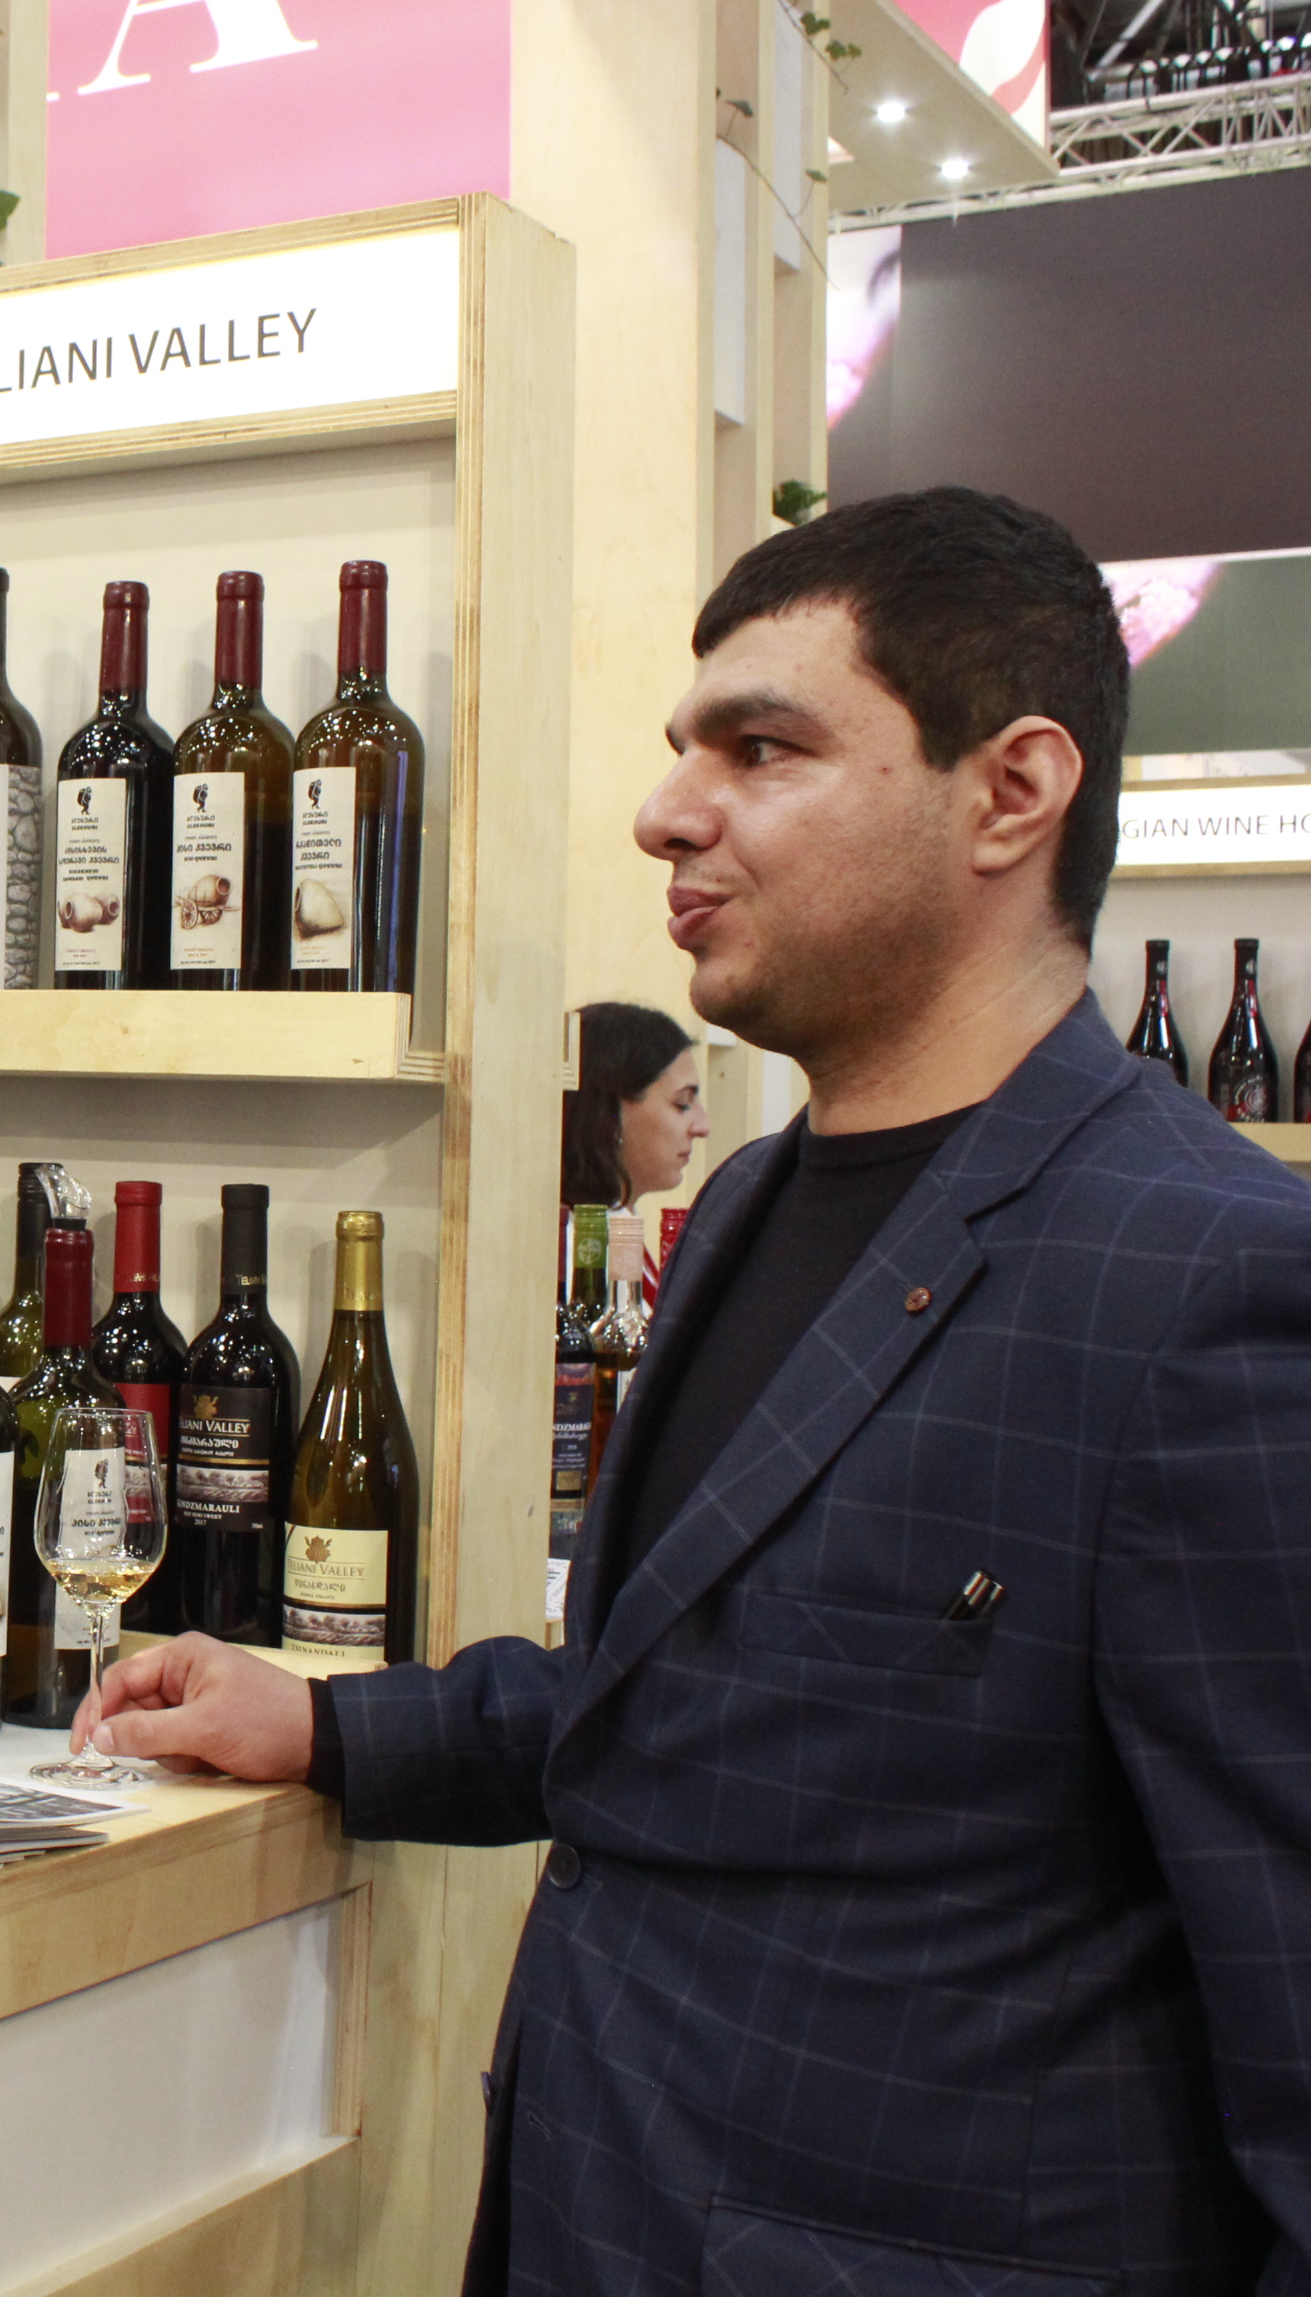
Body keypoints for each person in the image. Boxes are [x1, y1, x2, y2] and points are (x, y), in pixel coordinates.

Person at [79, 487, 1311, 2293]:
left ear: (1012, 791)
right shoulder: (743, 1208)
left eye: (763, 748)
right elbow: (690, 1703)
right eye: (683, 750)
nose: (667, 811)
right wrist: (335, 1729)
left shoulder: (1213, 1283)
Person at [560, 1000, 708, 1300]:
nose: (702, 1126)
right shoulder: (572, 1248)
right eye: (682, 1103)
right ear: (609, 1113)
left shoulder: (621, 1224)